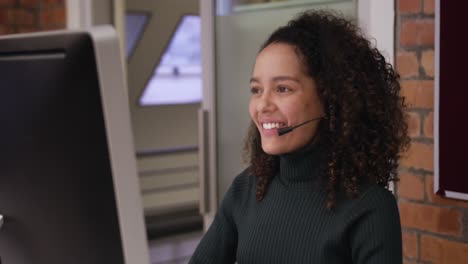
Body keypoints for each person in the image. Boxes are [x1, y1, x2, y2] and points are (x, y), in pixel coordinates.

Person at [190, 10, 410, 264]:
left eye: (283, 89)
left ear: (331, 99)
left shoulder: (370, 207)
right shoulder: (246, 189)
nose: (262, 105)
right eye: (257, 89)